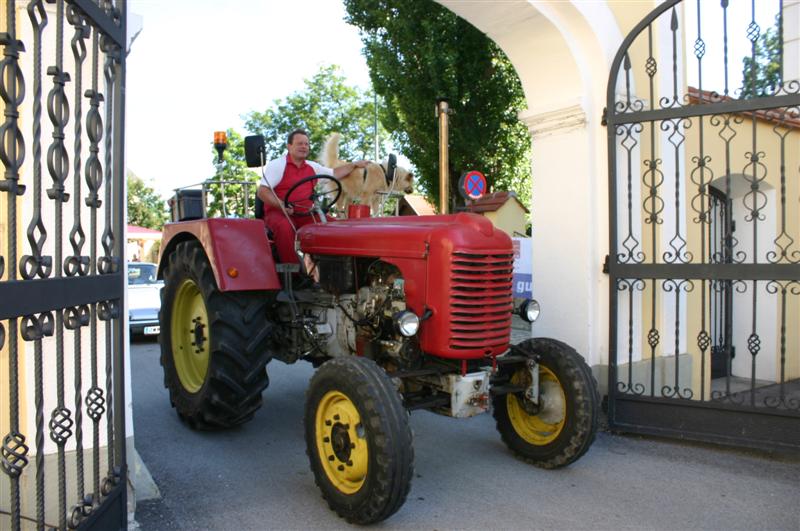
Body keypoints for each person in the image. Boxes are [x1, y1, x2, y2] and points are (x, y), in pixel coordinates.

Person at [257, 129, 367, 264]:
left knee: (335, 227)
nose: (304, 147)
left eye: (306, 144)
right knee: (285, 227)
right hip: (279, 213)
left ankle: (339, 271)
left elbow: (334, 173)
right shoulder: (278, 165)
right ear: (289, 146)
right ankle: (294, 275)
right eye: (299, 144)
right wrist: (282, 205)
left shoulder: (312, 167)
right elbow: (262, 191)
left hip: (305, 214)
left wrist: (354, 164)